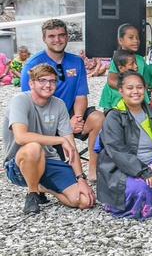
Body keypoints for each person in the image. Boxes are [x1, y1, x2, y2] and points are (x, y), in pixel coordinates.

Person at [5, 64, 95, 214]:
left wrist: (81, 179)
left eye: (52, 81)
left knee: (85, 201)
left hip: (50, 161)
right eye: (42, 80)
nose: (48, 85)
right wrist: (59, 140)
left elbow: (71, 146)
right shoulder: (20, 101)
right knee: (34, 147)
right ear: (31, 83)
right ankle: (33, 193)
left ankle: (44, 187)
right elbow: (21, 137)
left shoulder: (59, 105)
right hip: (20, 164)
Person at [20, 19, 104, 181]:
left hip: (70, 113)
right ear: (44, 39)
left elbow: (81, 96)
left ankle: (93, 172)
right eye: (51, 36)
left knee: (98, 118)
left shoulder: (76, 61)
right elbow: (29, 102)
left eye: (61, 35)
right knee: (56, 174)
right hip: (44, 118)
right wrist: (62, 124)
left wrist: (76, 117)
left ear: (67, 37)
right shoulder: (33, 63)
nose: (57, 40)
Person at [96, 71, 152, 220]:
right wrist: (143, 172)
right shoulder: (115, 116)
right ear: (121, 91)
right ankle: (133, 209)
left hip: (150, 161)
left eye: (139, 87)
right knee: (141, 186)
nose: (135, 92)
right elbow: (118, 151)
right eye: (130, 88)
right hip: (123, 166)